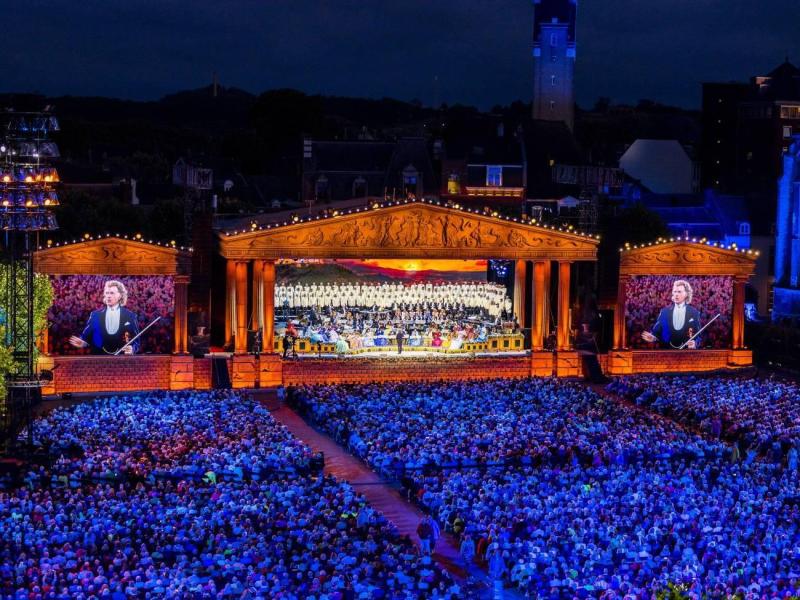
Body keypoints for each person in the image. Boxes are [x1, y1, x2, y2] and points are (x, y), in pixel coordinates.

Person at [69, 280, 139, 355]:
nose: (108, 296)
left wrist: (132, 349)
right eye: (107, 293)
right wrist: (83, 342)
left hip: (122, 359)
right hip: (99, 358)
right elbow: (86, 335)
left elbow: (136, 341)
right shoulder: (95, 315)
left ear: (120, 295)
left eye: (112, 293)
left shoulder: (130, 316)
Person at [641, 279, 702, 349]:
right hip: (666, 352)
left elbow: (699, 336)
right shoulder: (664, 312)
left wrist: (695, 344)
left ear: (686, 294)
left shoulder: (694, 312)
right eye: (675, 291)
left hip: (686, 353)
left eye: (679, 292)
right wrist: (653, 337)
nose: (676, 294)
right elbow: (657, 332)